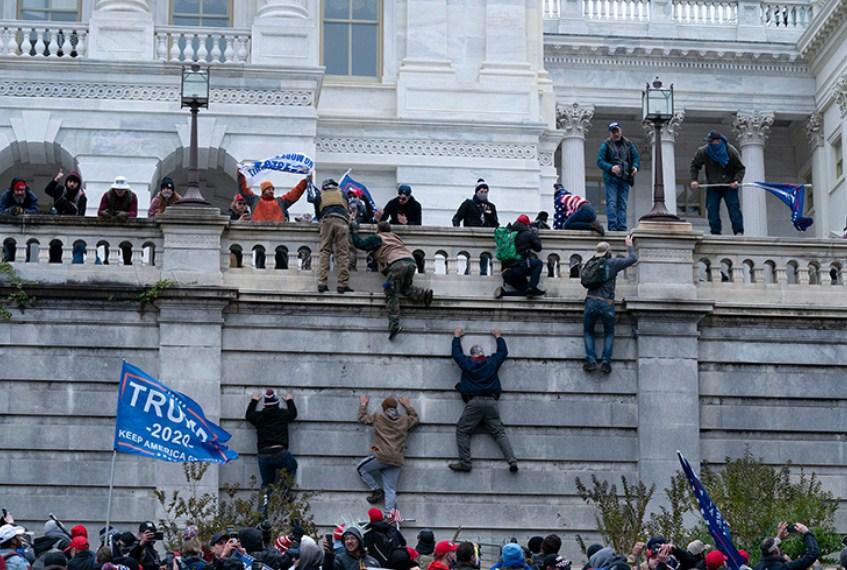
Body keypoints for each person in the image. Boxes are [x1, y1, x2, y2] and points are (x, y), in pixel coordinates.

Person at [449, 328, 517, 473]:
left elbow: (456, 354)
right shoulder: (491, 362)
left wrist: (456, 337)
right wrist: (498, 336)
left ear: (472, 355)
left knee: (462, 430)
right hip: (492, 403)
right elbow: (503, 353)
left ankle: (465, 463)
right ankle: (512, 460)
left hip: (474, 403)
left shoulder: (468, 363)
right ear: (483, 354)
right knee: (499, 433)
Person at [351, 221, 433, 339]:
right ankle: (424, 295)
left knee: (391, 292)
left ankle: (394, 325)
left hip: (396, 264)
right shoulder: (396, 238)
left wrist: (354, 232)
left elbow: (361, 244)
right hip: (410, 262)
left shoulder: (378, 238)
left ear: (379, 230)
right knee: (404, 288)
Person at [582, 236, 638, 374]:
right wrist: (629, 245)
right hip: (606, 303)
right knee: (609, 333)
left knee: (588, 331)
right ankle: (606, 362)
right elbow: (633, 259)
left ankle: (590, 360)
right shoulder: (613, 263)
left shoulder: (590, 263)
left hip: (591, 300)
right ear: (608, 252)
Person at [357, 395, 420, 514]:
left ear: (383, 408)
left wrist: (363, 405)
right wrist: (408, 406)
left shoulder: (378, 417)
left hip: (382, 456)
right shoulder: (404, 420)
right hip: (397, 460)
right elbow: (415, 419)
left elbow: (362, 418)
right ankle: (389, 517)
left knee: (361, 468)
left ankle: (376, 490)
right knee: (390, 490)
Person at [690, 130, 746, 236]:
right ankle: (715, 232)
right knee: (711, 209)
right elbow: (694, 165)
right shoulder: (704, 151)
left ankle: (738, 231)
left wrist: (737, 180)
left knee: (734, 208)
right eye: (708, 142)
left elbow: (740, 168)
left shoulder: (731, 151)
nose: (710, 144)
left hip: (729, 185)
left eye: (712, 142)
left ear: (718, 141)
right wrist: (694, 179)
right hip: (713, 185)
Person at [245, 389, 299, 489]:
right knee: (292, 466)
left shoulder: (259, 416)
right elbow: (293, 413)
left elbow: (249, 415)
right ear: (277, 404)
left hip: (263, 453)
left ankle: (264, 504)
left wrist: (254, 401)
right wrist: (289, 400)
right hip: (279, 452)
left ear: (265, 405)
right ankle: (283, 495)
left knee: (267, 483)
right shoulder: (282, 414)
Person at [309, 178, 353, 294]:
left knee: (325, 251)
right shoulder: (342, 194)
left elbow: (318, 214)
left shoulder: (320, 195)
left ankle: (322, 283)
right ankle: (342, 284)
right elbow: (346, 209)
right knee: (343, 253)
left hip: (327, 220)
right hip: (342, 221)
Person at [596, 122, 640, 232]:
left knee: (623, 204)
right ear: (610, 133)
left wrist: (635, 167)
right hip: (612, 179)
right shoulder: (605, 145)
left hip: (625, 178)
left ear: (621, 131)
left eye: (617, 131)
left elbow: (636, 158)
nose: (616, 134)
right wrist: (611, 168)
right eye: (613, 131)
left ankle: (622, 227)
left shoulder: (629, 144)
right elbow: (599, 161)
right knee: (612, 203)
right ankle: (613, 226)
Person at [495, 215, 545, 298]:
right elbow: (538, 248)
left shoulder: (509, 233)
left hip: (506, 273)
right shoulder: (528, 234)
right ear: (526, 224)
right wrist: (534, 234)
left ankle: (503, 293)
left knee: (526, 291)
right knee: (538, 263)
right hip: (518, 268)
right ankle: (533, 287)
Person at [237, 171, 309, 223]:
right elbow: (243, 190)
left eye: (272, 189)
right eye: (268, 189)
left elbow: (295, 194)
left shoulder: (281, 201)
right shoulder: (254, 200)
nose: (271, 191)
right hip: (258, 235)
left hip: (276, 236)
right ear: (263, 191)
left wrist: (305, 182)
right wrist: (241, 174)